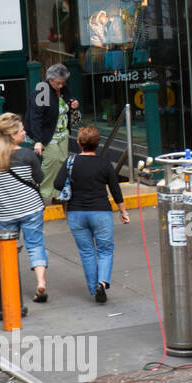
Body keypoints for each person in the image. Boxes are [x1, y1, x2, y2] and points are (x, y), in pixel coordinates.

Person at [54, 125, 129, 304]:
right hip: (100, 211)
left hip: (76, 213)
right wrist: (122, 211)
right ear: (97, 143)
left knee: (87, 252)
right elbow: (115, 188)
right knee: (105, 250)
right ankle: (102, 283)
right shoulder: (104, 163)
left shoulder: (71, 162)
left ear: (79, 143)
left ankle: (93, 287)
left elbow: (57, 184)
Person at [0, 114, 48, 304]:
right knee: (36, 245)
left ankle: (9, 287)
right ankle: (41, 282)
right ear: (13, 135)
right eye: (22, 130)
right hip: (31, 208)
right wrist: (38, 158)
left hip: (5, 212)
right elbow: (39, 179)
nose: (25, 133)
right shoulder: (28, 155)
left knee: (7, 251)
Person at [27, 63, 79, 203]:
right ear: (50, 80)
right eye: (58, 83)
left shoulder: (63, 88)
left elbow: (68, 99)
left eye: (63, 83)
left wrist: (73, 102)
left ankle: (57, 192)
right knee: (51, 160)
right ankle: (41, 190)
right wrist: (38, 140)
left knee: (62, 161)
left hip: (62, 132)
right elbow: (35, 117)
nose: (61, 85)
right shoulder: (41, 92)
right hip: (46, 133)